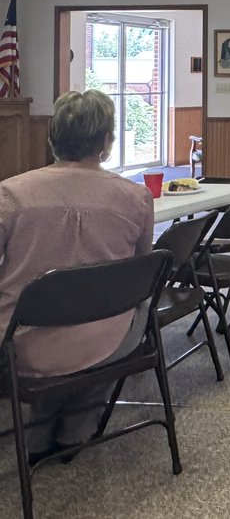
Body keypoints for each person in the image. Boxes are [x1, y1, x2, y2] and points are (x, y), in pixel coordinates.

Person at [0, 90, 154, 461]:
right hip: (108, 339)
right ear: (106, 142)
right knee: (130, 305)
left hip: (20, 346)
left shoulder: (10, 195)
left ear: (51, 136)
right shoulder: (136, 198)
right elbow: (141, 268)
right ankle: (76, 429)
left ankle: (38, 432)